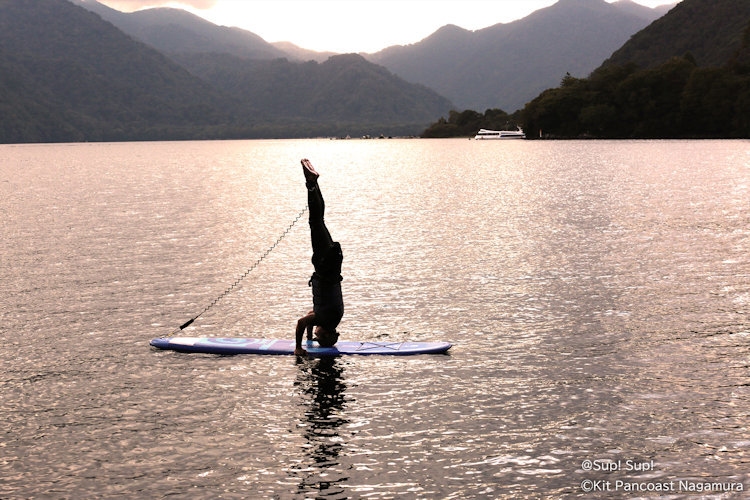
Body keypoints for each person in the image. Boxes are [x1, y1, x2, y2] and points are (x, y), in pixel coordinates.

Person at [295, 159, 344, 356]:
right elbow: (303, 321)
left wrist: (308, 338)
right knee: (315, 220)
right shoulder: (324, 319)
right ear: (324, 333)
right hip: (325, 265)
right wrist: (298, 347)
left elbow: (309, 317)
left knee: (318, 220)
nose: (315, 334)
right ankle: (311, 183)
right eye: (317, 336)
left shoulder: (332, 319)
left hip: (333, 263)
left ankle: (313, 183)